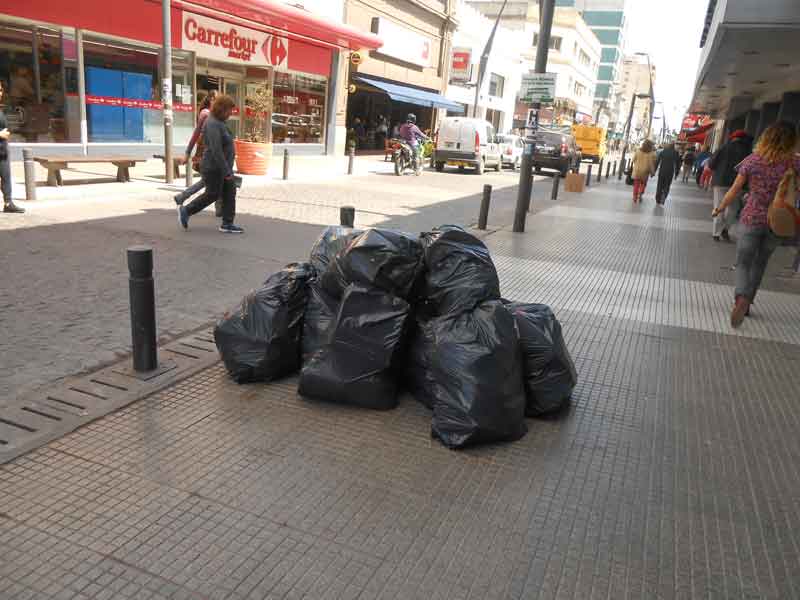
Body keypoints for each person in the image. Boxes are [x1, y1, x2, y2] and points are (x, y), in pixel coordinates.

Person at [712, 121, 800, 327]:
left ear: (766, 137)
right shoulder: (795, 164)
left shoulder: (753, 160)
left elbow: (734, 189)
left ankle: (741, 297)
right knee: (760, 263)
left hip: (752, 218)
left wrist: (720, 208)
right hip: (778, 221)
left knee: (743, 262)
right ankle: (748, 303)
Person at [178, 95, 243, 234]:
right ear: (222, 109)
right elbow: (216, 150)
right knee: (212, 194)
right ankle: (186, 210)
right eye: (229, 110)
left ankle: (227, 223)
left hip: (221, 167)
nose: (231, 114)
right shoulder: (212, 123)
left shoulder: (219, 122)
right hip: (214, 167)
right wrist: (226, 172)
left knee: (229, 192)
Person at [174, 90, 218, 209]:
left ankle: (182, 197)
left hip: (212, 152)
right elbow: (196, 134)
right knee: (211, 180)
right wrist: (187, 153)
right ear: (210, 100)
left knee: (212, 180)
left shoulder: (215, 114)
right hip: (205, 153)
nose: (217, 102)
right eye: (215, 99)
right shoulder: (205, 113)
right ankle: (184, 200)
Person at [709, 129, 752, 241]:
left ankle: (716, 233)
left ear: (732, 137)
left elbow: (711, 164)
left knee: (719, 206)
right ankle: (725, 229)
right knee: (733, 208)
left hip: (720, 182)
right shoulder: (747, 151)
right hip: (738, 183)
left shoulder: (723, 147)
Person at [0, 81, 23, 214]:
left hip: (2, 150)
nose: (0, 92)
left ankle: (8, 203)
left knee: (6, 177)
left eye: (1, 90)